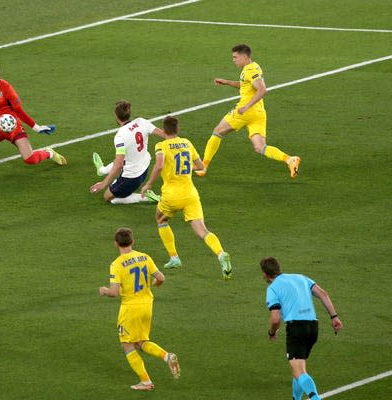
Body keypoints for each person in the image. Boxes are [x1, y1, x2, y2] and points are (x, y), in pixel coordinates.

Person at [139, 116, 232, 279]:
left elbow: (159, 165)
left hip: (171, 195)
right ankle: (221, 253)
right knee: (203, 231)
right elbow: (201, 166)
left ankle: (174, 258)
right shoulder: (187, 143)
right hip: (190, 194)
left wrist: (148, 184)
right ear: (178, 129)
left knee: (161, 219)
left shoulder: (161, 145)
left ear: (164, 130)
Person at [196, 44, 300, 178]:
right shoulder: (253, 67)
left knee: (217, 132)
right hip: (259, 113)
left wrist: (246, 106)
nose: (233, 60)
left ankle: (203, 166)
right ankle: (289, 159)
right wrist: (226, 82)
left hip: (245, 112)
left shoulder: (250, 70)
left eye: (235, 57)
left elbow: (262, 89)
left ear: (244, 56)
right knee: (260, 147)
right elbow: (246, 85)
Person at [261, 257, 343, 400]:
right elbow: (323, 294)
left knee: (299, 371)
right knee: (298, 367)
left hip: (296, 329)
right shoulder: (301, 277)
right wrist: (334, 316)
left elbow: (275, 318)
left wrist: (271, 332)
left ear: (265, 274)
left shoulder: (273, 288)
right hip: (313, 327)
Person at [99, 227, 180, 391]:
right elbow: (161, 278)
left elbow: (114, 292)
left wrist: (104, 291)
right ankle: (167, 356)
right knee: (141, 342)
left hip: (130, 308)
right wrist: (154, 285)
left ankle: (146, 382)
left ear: (116, 244)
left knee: (127, 345)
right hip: (147, 305)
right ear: (133, 241)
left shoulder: (116, 264)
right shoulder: (144, 257)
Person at [89, 100, 163, 204]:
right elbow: (164, 134)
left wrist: (104, 183)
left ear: (116, 116)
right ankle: (102, 170)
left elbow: (119, 164)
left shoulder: (120, 136)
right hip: (145, 168)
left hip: (132, 178)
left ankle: (145, 197)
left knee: (108, 197)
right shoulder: (141, 121)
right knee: (125, 158)